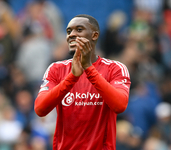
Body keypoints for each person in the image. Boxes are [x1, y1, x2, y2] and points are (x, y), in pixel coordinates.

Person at [34, 14, 131, 150]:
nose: (71, 35)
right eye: (69, 31)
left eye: (79, 30)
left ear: (94, 35)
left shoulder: (115, 69)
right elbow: (40, 108)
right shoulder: (56, 69)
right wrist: (72, 77)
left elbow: (120, 105)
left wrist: (89, 69)